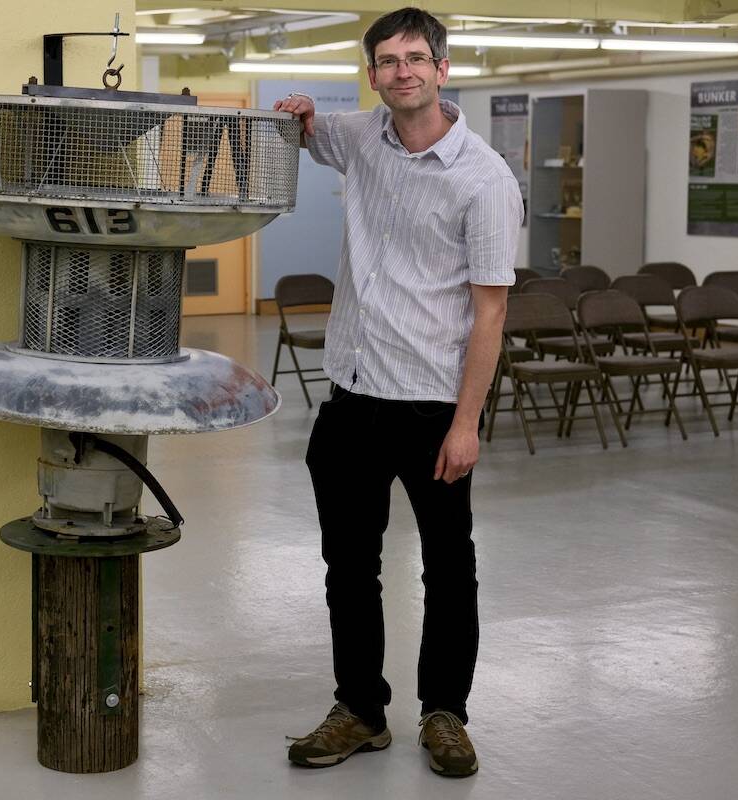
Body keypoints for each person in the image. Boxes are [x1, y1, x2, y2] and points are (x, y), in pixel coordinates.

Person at [273, 7, 522, 779]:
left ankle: (445, 713)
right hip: (351, 400)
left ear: (443, 70)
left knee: (449, 569)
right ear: (374, 74)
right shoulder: (361, 139)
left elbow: (491, 311)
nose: (402, 71)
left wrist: (466, 423)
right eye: (387, 60)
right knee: (349, 566)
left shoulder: (483, 178)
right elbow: (314, 131)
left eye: (416, 57)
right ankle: (362, 710)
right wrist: (303, 116)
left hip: (432, 409)